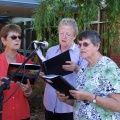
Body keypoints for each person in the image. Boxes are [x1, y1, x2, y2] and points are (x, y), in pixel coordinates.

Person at [57, 30, 120, 120]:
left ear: (97, 46)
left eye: (86, 44)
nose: (81, 48)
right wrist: (65, 99)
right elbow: (80, 102)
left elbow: (118, 105)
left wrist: (90, 97)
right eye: (80, 44)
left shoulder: (108, 67)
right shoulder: (82, 69)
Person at [40, 18, 87, 120]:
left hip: (68, 104)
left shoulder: (81, 52)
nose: (64, 36)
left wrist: (76, 68)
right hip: (50, 101)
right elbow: (47, 76)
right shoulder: (51, 51)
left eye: (68, 34)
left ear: (74, 36)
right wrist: (43, 74)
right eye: (61, 33)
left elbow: (87, 77)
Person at [0, 24, 32, 120]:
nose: (17, 39)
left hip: (22, 114)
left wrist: (28, 90)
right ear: (3, 40)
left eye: (20, 37)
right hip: (4, 114)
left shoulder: (27, 62)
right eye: (13, 37)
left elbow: (29, 93)